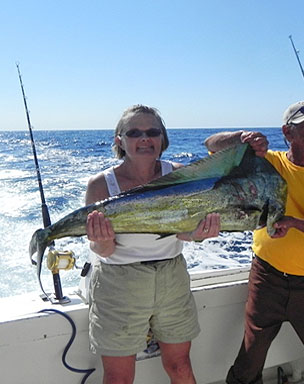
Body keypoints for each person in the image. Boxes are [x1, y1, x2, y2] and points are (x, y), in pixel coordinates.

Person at [204, 100, 304, 384]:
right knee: (249, 360)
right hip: (266, 277)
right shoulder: (266, 162)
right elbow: (210, 144)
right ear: (288, 132)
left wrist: (293, 223)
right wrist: (242, 138)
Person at [85, 104, 221, 384]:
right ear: (119, 140)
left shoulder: (183, 176)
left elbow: (184, 232)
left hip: (172, 277)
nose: (144, 138)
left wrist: (198, 233)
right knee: (118, 377)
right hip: (119, 282)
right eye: (134, 132)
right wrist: (100, 242)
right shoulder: (100, 186)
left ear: (162, 138)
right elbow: (105, 251)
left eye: (152, 132)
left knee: (180, 365)